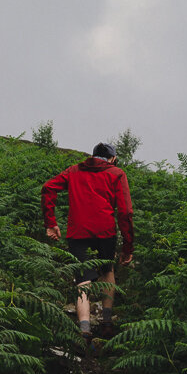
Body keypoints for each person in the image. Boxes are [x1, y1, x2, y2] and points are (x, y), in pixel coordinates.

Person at [42, 142, 134, 339]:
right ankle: (107, 322)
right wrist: (128, 246)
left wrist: (51, 222)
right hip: (105, 231)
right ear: (112, 159)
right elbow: (125, 212)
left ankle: (84, 329)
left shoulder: (74, 171)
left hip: (77, 231)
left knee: (82, 279)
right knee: (108, 271)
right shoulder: (116, 173)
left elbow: (48, 187)